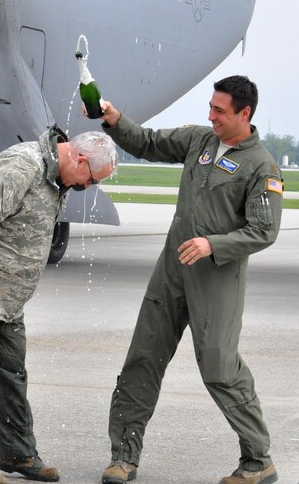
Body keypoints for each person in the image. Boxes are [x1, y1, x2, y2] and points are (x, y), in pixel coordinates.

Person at [97, 76, 283, 484]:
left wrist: (212, 244)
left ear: (244, 114)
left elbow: (263, 231)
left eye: (220, 110)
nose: (210, 115)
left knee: (220, 369)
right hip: (172, 272)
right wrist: (114, 120)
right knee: (142, 359)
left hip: (216, 279)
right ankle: (123, 457)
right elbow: (147, 142)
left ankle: (257, 460)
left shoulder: (262, 167)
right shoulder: (199, 141)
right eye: (211, 107)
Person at [0, 125, 118, 484]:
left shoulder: (56, 177)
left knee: (12, 377)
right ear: (78, 157)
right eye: (91, 180)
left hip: (10, 298)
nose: (88, 187)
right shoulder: (23, 165)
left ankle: (17, 453)